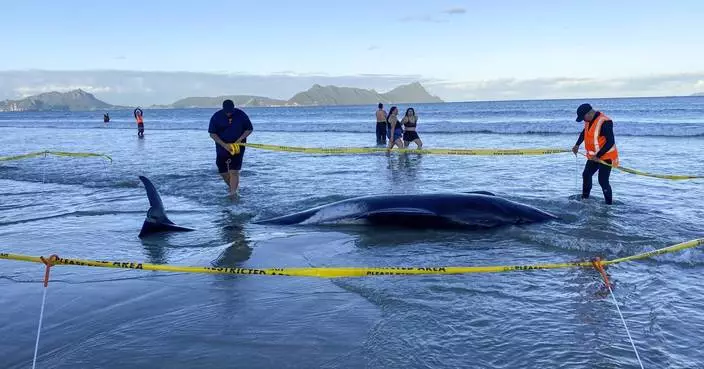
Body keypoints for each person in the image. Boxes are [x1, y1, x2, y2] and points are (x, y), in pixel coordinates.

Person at [571, 103, 619, 205]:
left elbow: (610, 141)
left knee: (602, 181)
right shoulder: (589, 120)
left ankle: (608, 205)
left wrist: (598, 156)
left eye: (583, 117)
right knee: (586, 175)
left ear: (589, 113)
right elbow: (584, 133)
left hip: (606, 156)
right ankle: (585, 199)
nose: (583, 120)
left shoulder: (605, 122)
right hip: (594, 156)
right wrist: (577, 145)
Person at [208, 99, 254, 197]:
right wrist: (224, 145)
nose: (229, 114)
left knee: (234, 171)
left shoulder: (241, 115)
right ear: (223, 109)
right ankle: (232, 187)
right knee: (223, 171)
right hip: (222, 146)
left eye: (231, 111)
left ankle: (233, 193)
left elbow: (249, 129)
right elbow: (212, 133)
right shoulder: (216, 116)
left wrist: (240, 139)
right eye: (227, 112)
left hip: (238, 146)